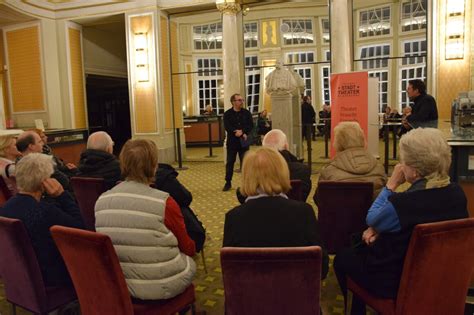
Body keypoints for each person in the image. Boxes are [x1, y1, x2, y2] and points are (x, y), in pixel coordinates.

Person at [333, 128, 468, 314]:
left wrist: (392, 184)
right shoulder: (457, 193)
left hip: (396, 281)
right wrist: (379, 230)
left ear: (414, 170)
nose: (400, 166)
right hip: (444, 276)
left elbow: (372, 217)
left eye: (403, 162)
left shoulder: (402, 204)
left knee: (343, 258)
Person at [95, 139, 196, 300]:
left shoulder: (101, 201)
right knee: (190, 261)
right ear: (154, 165)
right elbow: (188, 248)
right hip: (160, 285)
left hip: (119, 285)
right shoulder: (164, 202)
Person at [223, 147, 328, 279]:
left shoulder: (234, 217)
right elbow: (322, 268)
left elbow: (230, 273)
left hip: (251, 297)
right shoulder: (304, 213)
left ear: (246, 176)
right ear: (283, 173)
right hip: (298, 295)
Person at [0, 153, 84, 286]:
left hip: (20, 279)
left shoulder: (5, 209)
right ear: (44, 181)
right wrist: (62, 195)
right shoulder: (45, 211)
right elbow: (81, 230)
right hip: (50, 279)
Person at [313, 122, 386, 204]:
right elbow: (384, 199)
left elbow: (319, 200)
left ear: (338, 144)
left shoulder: (328, 171)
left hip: (339, 216)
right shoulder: (379, 168)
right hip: (373, 216)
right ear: (362, 140)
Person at [262, 129, 311, 201]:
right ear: (286, 146)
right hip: (294, 210)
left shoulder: (253, 170)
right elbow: (302, 197)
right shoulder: (302, 170)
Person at [222, 93, 253, 191]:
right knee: (230, 162)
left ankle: (246, 183)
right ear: (233, 102)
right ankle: (228, 182)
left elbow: (250, 125)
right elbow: (227, 127)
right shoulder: (227, 114)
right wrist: (237, 132)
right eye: (239, 100)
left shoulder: (246, 113)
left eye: (242, 100)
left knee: (245, 163)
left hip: (243, 142)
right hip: (232, 142)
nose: (241, 102)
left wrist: (242, 131)